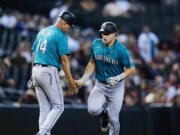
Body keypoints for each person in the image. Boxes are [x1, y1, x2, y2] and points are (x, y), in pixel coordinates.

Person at [77, 22, 136, 135]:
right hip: (100, 85)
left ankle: (110, 118)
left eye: (107, 33)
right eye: (102, 33)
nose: (104, 35)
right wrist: (83, 78)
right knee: (92, 110)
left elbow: (131, 69)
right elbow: (92, 62)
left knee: (114, 120)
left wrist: (118, 77)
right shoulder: (96, 44)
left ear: (114, 34)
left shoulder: (122, 50)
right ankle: (105, 113)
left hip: (116, 87)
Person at [31, 11, 78, 135]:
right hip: (48, 71)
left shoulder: (42, 31)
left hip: (36, 69)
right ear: (63, 22)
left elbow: (34, 53)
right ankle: (42, 133)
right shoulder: (60, 36)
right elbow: (64, 60)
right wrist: (70, 79)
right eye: (69, 26)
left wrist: (32, 72)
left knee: (44, 108)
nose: (69, 29)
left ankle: (44, 133)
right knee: (59, 106)